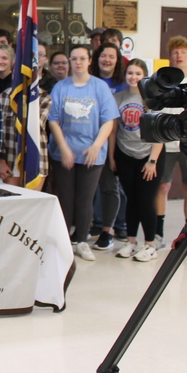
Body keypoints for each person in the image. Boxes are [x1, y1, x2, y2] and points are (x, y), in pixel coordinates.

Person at [47, 45, 118, 262]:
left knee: (85, 199)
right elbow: (53, 120)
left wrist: (97, 146)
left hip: (91, 154)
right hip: (64, 154)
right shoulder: (61, 87)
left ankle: (81, 242)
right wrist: (65, 148)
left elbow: (109, 120)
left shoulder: (100, 87)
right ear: (69, 62)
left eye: (82, 58)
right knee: (65, 199)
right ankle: (65, 242)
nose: (78, 62)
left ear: (89, 61)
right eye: (74, 59)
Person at [110, 59, 165, 262]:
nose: (133, 77)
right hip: (125, 154)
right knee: (130, 199)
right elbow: (114, 131)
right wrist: (112, 157)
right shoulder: (118, 97)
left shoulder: (154, 99)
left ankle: (150, 245)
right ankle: (131, 242)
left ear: (145, 76)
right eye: (130, 73)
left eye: (138, 73)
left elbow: (159, 133)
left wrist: (152, 161)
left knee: (144, 200)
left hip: (149, 155)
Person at [155, 35, 187, 246]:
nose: (178, 56)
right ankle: (158, 233)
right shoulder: (163, 82)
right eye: (174, 52)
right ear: (169, 57)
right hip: (166, 144)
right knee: (163, 187)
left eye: (182, 52)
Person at [88, 41, 128, 250]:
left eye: (112, 56)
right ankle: (96, 223)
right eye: (104, 56)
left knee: (112, 187)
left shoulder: (123, 83)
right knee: (92, 187)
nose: (107, 60)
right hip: (90, 142)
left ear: (118, 60)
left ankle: (115, 226)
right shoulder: (89, 82)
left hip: (115, 142)